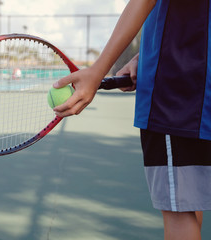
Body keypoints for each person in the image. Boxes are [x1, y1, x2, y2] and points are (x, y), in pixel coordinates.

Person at [52, 0, 211, 239]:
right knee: (188, 198)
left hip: (179, 95)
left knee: (179, 211)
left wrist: (97, 71)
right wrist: (147, 53)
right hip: (194, 83)